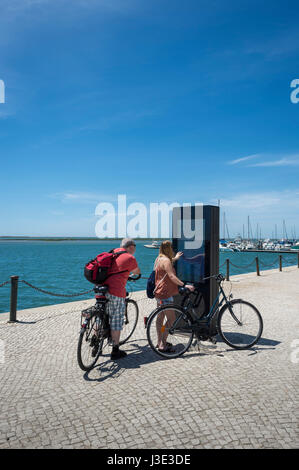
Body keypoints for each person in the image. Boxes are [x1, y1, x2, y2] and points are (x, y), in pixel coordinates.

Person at [153, 240, 194, 352]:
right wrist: (185, 285)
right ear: (169, 249)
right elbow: (171, 276)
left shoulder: (159, 259)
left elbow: (165, 267)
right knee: (171, 319)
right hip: (165, 294)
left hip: (158, 292)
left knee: (160, 318)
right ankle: (163, 343)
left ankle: (159, 341)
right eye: (172, 248)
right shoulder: (166, 261)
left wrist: (174, 259)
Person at [105, 238, 140, 359]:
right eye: (135, 246)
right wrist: (130, 275)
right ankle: (115, 351)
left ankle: (95, 339)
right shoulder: (130, 258)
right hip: (116, 291)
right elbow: (136, 272)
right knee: (116, 319)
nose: (135, 248)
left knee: (102, 314)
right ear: (131, 247)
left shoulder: (112, 252)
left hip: (101, 288)